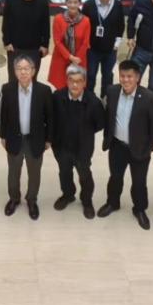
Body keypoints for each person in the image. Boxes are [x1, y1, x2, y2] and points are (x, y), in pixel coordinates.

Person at [99, 59, 153, 229]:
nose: (125, 80)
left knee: (139, 182)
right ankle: (112, 203)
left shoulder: (149, 98)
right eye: (122, 76)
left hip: (140, 149)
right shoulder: (112, 91)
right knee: (115, 178)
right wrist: (108, 138)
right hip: (117, 146)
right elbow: (108, 116)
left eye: (130, 76)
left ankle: (139, 209)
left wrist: (149, 148)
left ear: (138, 77)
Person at [0, 55, 52, 220]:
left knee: (34, 173)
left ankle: (31, 200)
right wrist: (3, 136)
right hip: (14, 138)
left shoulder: (44, 91)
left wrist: (48, 139)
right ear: (14, 71)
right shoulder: (7, 89)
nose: (23, 72)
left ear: (33, 71)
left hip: (35, 140)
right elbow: (4, 114)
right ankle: (14, 198)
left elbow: (50, 118)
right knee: (13, 172)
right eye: (19, 69)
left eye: (26, 69)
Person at [50, 64, 105, 218]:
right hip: (61, 146)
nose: (75, 85)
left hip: (83, 148)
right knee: (64, 172)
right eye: (71, 80)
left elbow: (99, 124)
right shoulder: (57, 97)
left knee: (85, 175)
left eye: (79, 81)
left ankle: (86, 201)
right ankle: (68, 195)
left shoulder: (94, 102)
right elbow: (51, 119)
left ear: (84, 82)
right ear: (66, 81)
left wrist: (85, 133)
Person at [1, 0, 51, 83]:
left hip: (35, 48)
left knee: (31, 79)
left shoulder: (43, 2)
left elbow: (46, 25)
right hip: (14, 48)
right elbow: (6, 24)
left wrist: (45, 45)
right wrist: (6, 42)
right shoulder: (11, 0)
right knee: (14, 79)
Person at [85, 0, 126, 99]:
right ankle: (89, 98)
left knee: (107, 76)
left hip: (110, 49)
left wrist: (117, 43)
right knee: (90, 75)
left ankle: (105, 99)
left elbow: (121, 25)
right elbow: (83, 25)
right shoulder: (88, 4)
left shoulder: (118, 5)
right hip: (92, 48)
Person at [49, 0, 91, 92]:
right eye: (70, 2)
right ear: (66, 3)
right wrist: (70, 57)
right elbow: (57, 41)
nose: (72, 5)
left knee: (76, 87)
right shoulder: (58, 19)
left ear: (79, 3)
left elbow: (86, 43)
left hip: (79, 59)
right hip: (61, 58)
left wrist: (76, 59)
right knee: (61, 87)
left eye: (75, 2)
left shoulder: (86, 20)